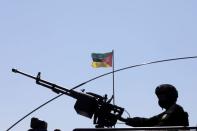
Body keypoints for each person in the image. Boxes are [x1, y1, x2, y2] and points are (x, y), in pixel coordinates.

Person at [124, 84, 189, 127]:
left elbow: (160, 127)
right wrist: (130, 120)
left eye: (162, 97)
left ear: (170, 97)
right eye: (159, 97)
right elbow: (149, 122)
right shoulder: (168, 112)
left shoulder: (176, 111)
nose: (160, 100)